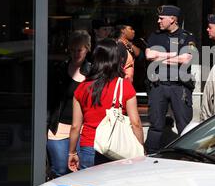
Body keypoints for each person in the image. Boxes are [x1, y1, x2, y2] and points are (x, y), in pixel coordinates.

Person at [68, 38, 144, 171]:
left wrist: (72, 152)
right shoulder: (124, 86)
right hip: (117, 147)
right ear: (117, 59)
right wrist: (140, 148)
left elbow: (75, 126)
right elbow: (136, 122)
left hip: (89, 145)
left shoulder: (82, 88)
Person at [144, 5, 197, 154]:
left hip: (179, 87)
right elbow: (149, 56)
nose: (158, 21)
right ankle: (151, 154)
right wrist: (174, 55)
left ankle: (187, 155)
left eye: (162, 18)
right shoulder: (155, 35)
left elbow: (187, 58)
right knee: (156, 125)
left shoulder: (187, 36)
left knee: (184, 125)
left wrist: (160, 56)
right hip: (158, 86)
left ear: (172, 19)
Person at [47, 30, 91, 178]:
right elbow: (50, 99)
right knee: (59, 169)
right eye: (72, 50)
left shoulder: (92, 72)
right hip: (58, 128)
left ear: (87, 49)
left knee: (79, 172)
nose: (75, 54)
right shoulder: (60, 69)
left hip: (82, 129)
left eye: (79, 50)